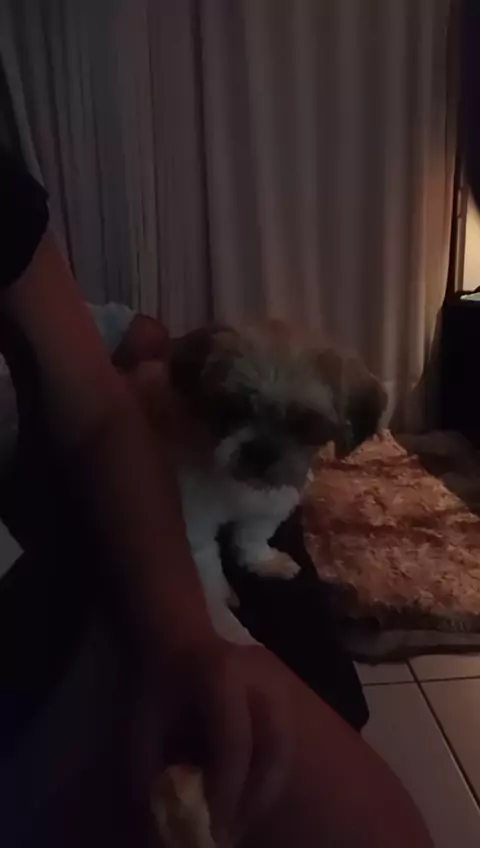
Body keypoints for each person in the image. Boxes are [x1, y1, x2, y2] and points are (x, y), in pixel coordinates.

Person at [0, 151, 432, 846]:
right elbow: (185, 519)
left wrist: (246, 555)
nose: (264, 446)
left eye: (301, 427)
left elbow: (98, 413)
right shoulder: (180, 432)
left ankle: (251, 551)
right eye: (236, 414)